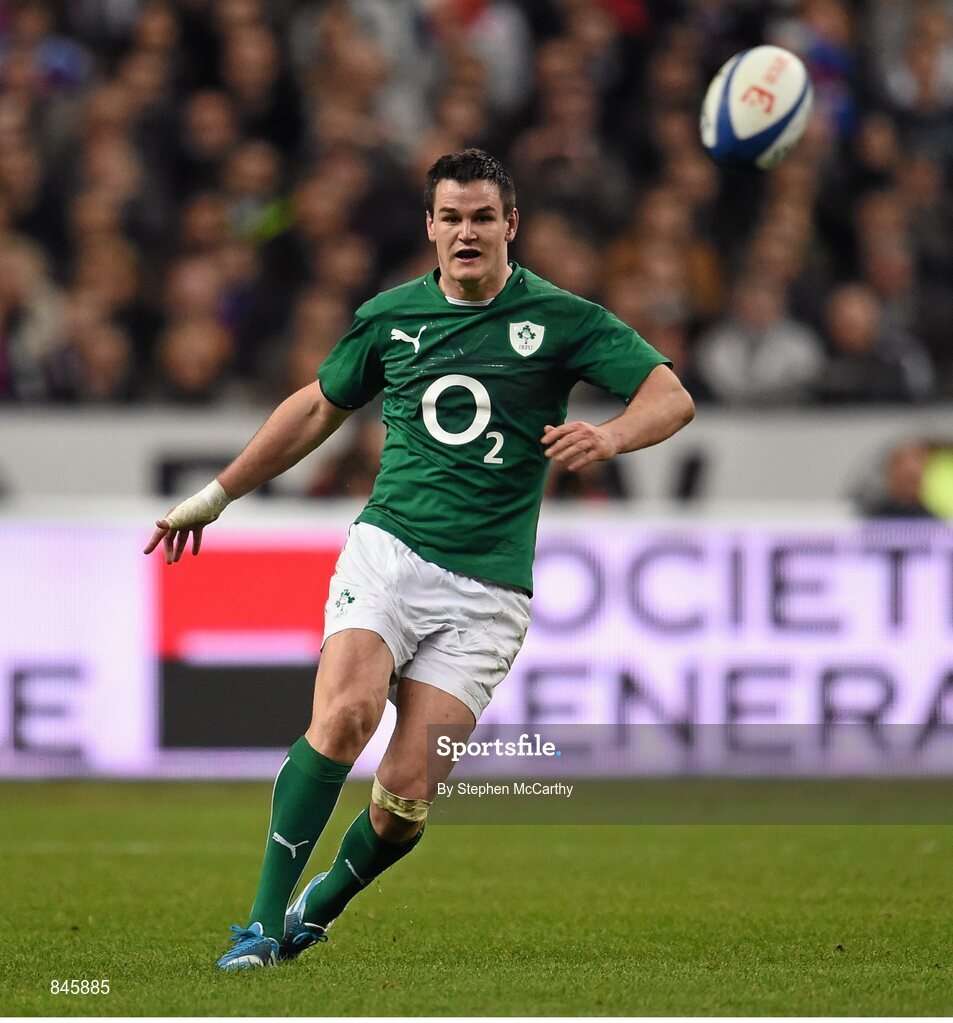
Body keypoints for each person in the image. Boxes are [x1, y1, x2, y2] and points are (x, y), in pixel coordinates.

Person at [143, 148, 695, 970]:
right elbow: (315, 409)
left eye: (481, 217)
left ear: (511, 225)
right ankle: (258, 926)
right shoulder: (389, 315)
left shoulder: (564, 318)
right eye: (451, 217)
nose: (465, 232)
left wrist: (608, 433)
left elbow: (670, 395)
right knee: (344, 715)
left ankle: (316, 906)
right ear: (430, 226)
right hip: (389, 552)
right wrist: (218, 493)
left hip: (489, 591)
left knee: (403, 800)